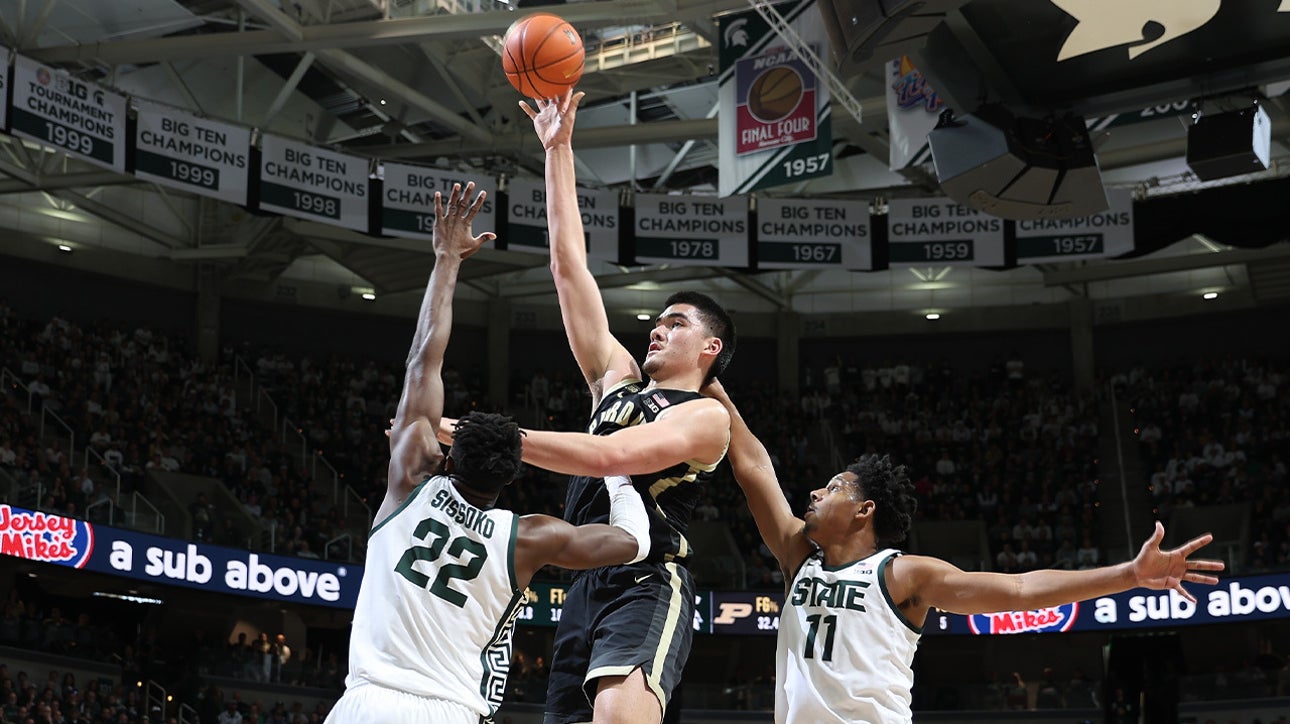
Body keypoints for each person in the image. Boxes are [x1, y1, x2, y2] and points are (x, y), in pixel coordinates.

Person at [704, 379, 1224, 724]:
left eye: (834, 487)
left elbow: (1020, 591)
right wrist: (710, 383)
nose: (815, 493)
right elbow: (751, 465)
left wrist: (1130, 575)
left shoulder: (902, 574)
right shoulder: (800, 556)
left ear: (865, 512)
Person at [326, 183, 655, 724]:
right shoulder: (528, 535)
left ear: (446, 457)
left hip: (365, 702)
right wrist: (619, 466)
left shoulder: (409, 479)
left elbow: (422, 361)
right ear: (512, 475)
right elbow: (631, 542)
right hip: (452, 710)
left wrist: (446, 260)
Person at [512, 89, 735, 724]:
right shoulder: (617, 379)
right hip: (582, 583)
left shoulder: (703, 417)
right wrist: (558, 151)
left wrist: (503, 438)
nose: (657, 329)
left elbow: (613, 454)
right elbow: (567, 269)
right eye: (656, 321)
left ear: (709, 347)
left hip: (646, 579)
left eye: (676, 323)